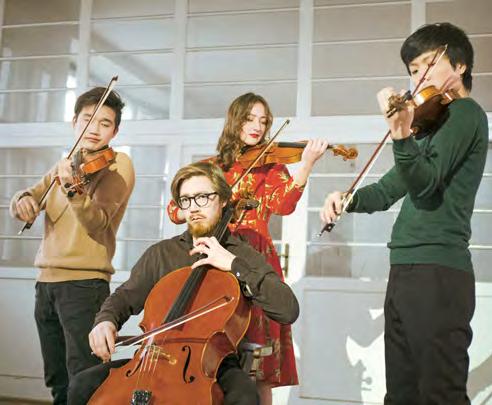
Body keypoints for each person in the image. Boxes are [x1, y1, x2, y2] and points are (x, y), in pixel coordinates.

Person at [321, 22, 488, 404]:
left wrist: (400, 136)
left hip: (438, 269)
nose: (419, 77)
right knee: (400, 392)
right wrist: (347, 199)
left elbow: (426, 183)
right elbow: (389, 189)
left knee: (439, 393)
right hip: (406, 267)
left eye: (429, 64)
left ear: (460, 65)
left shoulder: (465, 113)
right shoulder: (430, 126)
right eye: (413, 70)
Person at [67, 161, 299, 405]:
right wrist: (105, 321)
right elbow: (124, 297)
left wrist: (233, 265)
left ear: (222, 200)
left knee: (246, 397)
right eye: (186, 200)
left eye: (203, 197)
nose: (194, 207)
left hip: (214, 363)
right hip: (152, 356)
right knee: (82, 385)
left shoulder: (242, 255)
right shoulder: (162, 253)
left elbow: (288, 309)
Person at [167, 93, 327, 403]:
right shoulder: (209, 168)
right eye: (250, 118)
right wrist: (207, 203)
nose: (258, 126)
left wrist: (306, 164)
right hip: (214, 257)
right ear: (235, 120)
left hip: (254, 258)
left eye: (263, 121)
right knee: (212, 352)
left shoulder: (271, 167)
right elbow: (175, 211)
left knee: (258, 366)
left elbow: (284, 205)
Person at [9, 87, 135, 404]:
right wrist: (21, 201)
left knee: (85, 378)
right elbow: (31, 195)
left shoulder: (118, 165)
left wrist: (72, 188)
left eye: (105, 123)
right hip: (46, 285)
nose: (95, 128)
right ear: (74, 122)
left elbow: (97, 222)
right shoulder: (66, 163)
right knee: (58, 379)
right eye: (88, 119)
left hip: (83, 285)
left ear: (115, 131)